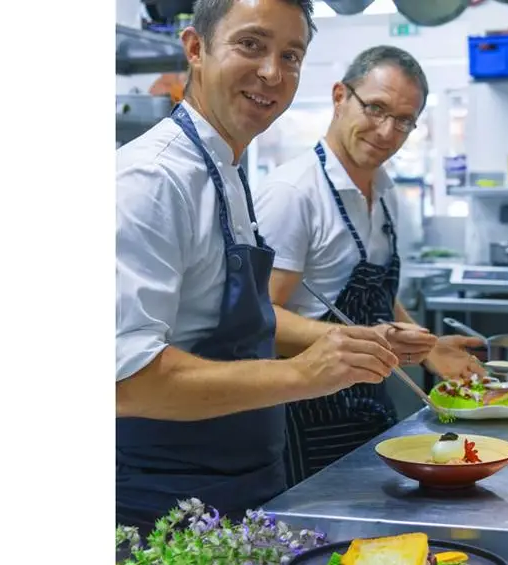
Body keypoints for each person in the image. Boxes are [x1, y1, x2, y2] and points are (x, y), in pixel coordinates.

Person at [115, 0, 401, 534]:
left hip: (242, 491)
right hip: (163, 509)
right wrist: (301, 372)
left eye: (291, 55)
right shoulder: (150, 181)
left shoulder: (228, 167)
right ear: (195, 49)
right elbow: (123, 381)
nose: (272, 72)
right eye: (251, 44)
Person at [252, 46, 488, 486]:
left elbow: (375, 290)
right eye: (376, 108)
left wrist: (426, 345)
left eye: (403, 120)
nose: (386, 131)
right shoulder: (293, 192)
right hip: (304, 416)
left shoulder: (384, 187)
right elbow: (260, 319)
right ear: (340, 96)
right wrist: (365, 340)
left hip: (364, 408)